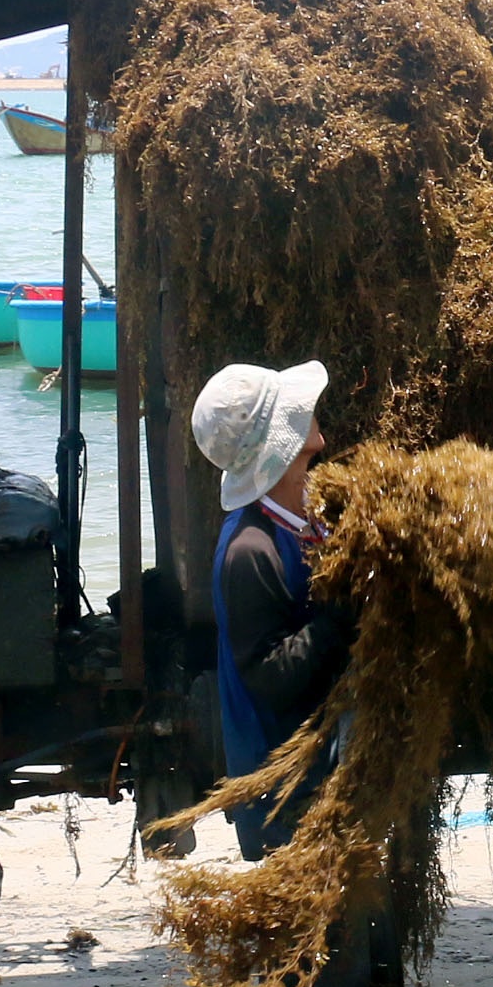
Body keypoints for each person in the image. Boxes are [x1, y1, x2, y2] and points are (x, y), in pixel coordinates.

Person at [190, 359, 348, 860]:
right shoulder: (250, 551)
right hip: (284, 785)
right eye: (300, 413)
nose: (315, 417)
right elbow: (270, 675)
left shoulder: (308, 515)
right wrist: (343, 614)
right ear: (284, 441)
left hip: (325, 760)